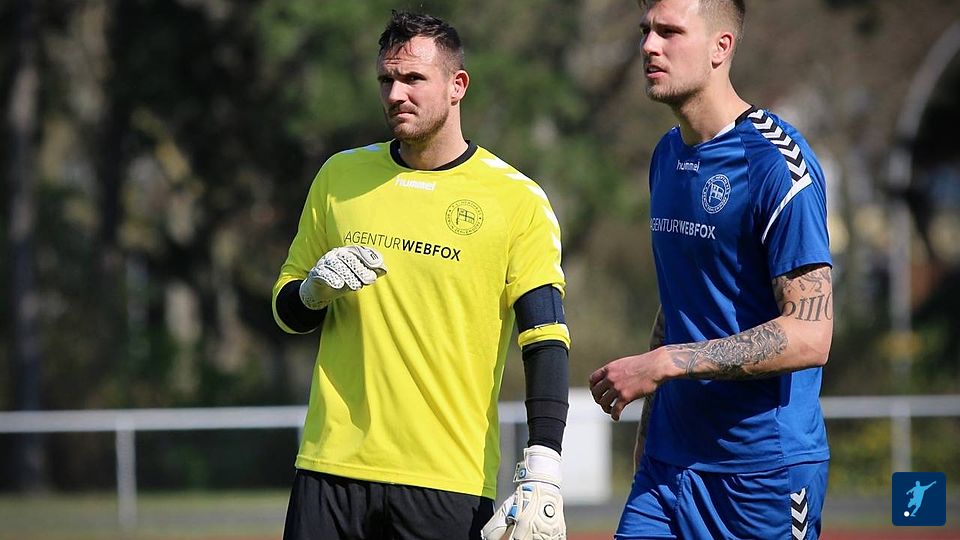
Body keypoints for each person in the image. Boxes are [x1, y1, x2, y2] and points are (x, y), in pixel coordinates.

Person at [272, 10, 570, 540]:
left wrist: (544, 463)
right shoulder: (339, 176)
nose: (395, 94)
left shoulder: (517, 199)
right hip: (330, 468)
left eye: (413, 78)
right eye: (386, 80)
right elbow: (285, 310)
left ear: (458, 86)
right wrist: (312, 290)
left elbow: (545, 338)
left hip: (446, 481)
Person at [588, 0, 834, 538]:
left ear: (721, 47)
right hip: (668, 467)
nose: (649, 46)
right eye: (645, 30)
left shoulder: (777, 165)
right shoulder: (665, 155)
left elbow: (810, 335)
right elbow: (681, 300)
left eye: (669, 32)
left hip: (761, 474)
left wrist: (665, 363)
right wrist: (650, 434)